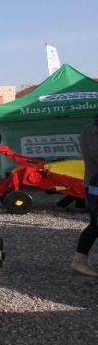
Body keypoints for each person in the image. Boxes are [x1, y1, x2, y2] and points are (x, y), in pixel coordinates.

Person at [73, 116, 98, 277]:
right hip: (95, 184)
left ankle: (79, 260)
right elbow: (95, 155)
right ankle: (78, 261)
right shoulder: (91, 132)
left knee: (95, 225)